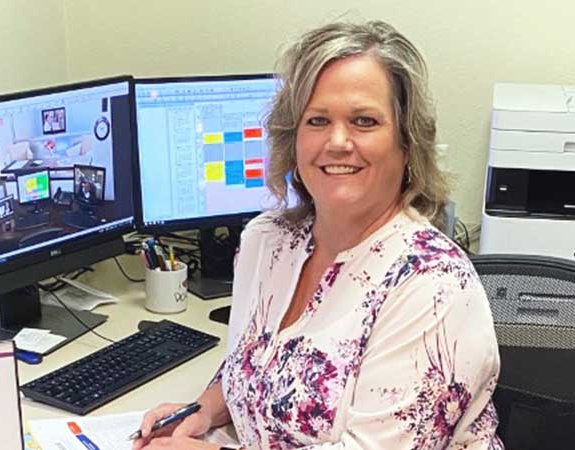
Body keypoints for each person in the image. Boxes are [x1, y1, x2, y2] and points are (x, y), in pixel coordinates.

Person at [135, 20, 503, 450]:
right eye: (318, 120)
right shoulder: (267, 240)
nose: (338, 141)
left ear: (407, 143)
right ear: (293, 140)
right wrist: (203, 410)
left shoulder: (434, 284)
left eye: (364, 121)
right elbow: (253, 365)